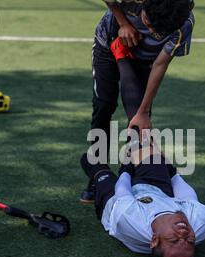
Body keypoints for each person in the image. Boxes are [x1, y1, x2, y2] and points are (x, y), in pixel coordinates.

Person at [81, 0, 195, 203]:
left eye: (156, 30)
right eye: (147, 22)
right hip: (109, 43)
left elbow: (160, 64)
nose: (149, 30)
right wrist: (123, 22)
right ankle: (97, 174)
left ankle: (133, 177)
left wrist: (143, 110)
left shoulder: (183, 22)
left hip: (145, 59)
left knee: (138, 119)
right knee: (103, 106)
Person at [80, 134, 205, 257]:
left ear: (154, 240)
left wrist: (127, 167)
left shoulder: (128, 219)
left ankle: (97, 177)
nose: (184, 234)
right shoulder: (203, 222)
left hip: (113, 202)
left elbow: (122, 191)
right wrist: (171, 171)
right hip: (159, 193)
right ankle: (138, 127)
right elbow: (188, 197)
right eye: (190, 242)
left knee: (92, 162)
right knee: (141, 140)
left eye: (174, 240)